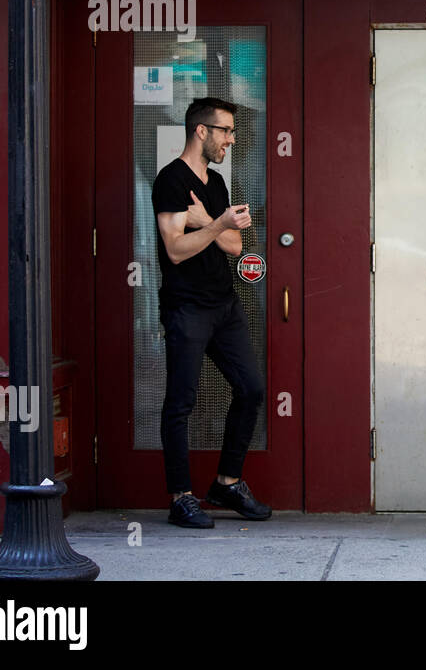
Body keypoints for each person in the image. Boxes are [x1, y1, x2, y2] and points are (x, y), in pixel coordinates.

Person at [153, 97, 271, 528]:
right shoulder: (171, 181)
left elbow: (236, 247)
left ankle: (226, 482)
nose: (231, 140)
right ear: (201, 131)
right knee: (181, 402)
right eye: (225, 131)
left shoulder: (217, 182)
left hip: (224, 305)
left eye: (233, 132)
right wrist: (216, 224)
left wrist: (210, 222)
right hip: (187, 307)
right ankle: (181, 498)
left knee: (251, 388)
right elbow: (176, 250)